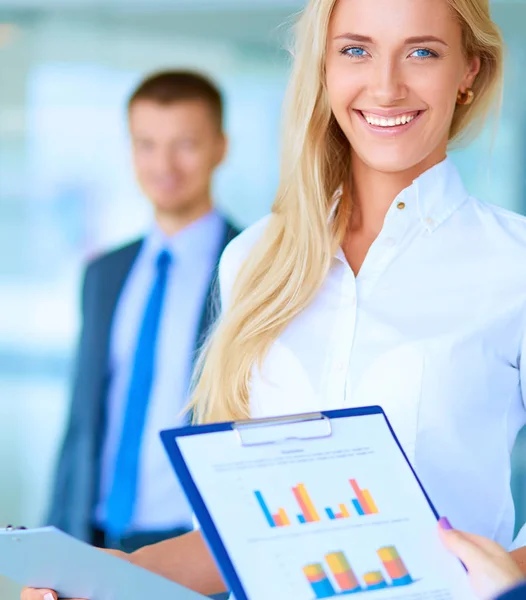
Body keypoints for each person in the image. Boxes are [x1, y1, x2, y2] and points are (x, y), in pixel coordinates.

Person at [22, 0, 526, 598]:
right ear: (322, 66)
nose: (386, 86)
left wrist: (512, 575)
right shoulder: (253, 260)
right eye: (356, 50)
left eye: (422, 52)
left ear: (469, 69)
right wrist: (97, 580)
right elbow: (241, 531)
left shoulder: (512, 264)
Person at [45, 70, 239, 553]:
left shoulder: (253, 267)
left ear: (220, 147)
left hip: (197, 540)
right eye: (146, 144)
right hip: (91, 532)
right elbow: (82, 420)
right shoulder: (104, 273)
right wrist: (52, 546)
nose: (164, 164)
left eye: (185, 144)